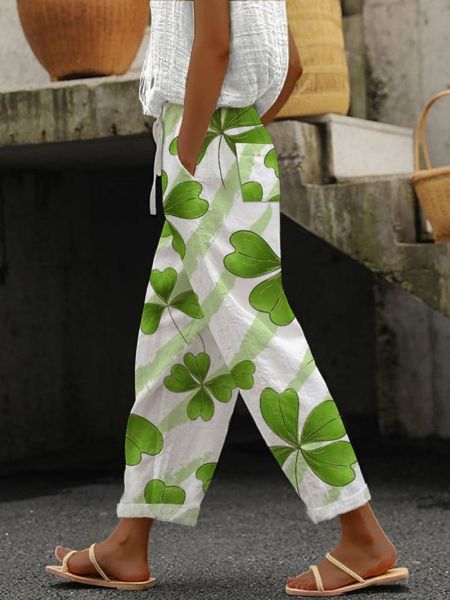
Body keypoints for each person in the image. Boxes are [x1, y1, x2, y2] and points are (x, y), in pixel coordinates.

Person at [45, 0, 409, 595]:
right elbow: (291, 64)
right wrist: (233, 135)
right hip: (230, 146)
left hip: (205, 157)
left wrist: (189, 151)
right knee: (174, 348)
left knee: (261, 341)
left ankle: (363, 534)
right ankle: (128, 543)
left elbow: (214, 46)